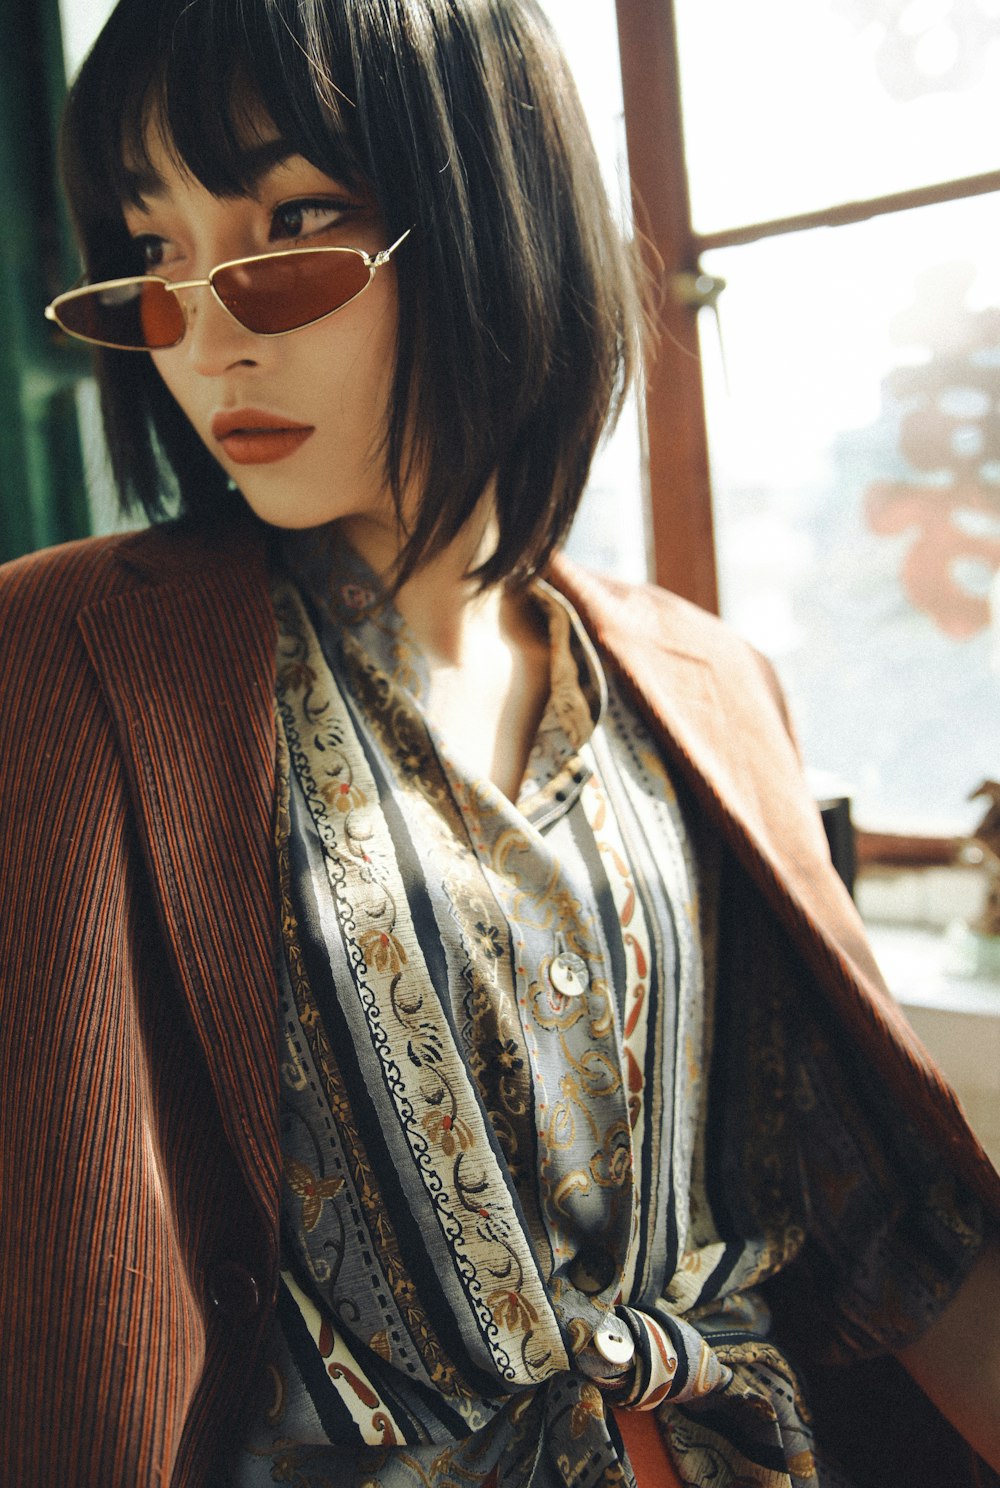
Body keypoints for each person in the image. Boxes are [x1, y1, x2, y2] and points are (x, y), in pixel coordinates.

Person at [1, 1, 998, 1484]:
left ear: (491, 220)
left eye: (295, 223)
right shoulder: (63, 656)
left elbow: (882, 1229)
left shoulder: (707, 679)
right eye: (152, 256)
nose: (204, 333)